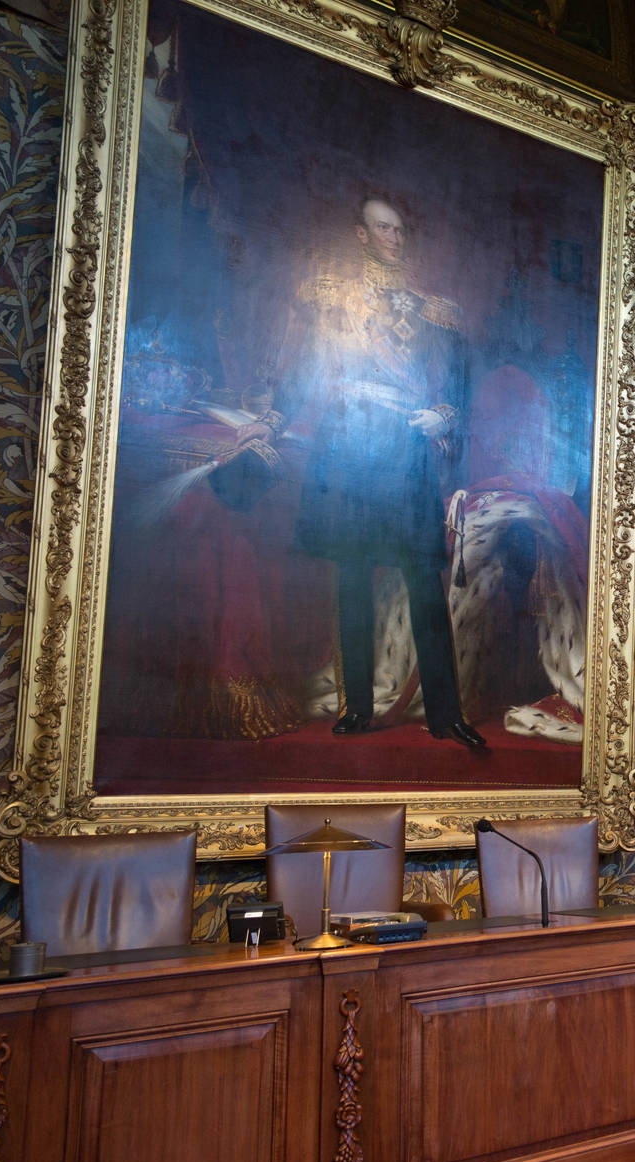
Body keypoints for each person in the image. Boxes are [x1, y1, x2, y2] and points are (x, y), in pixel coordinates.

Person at [274, 195, 487, 750]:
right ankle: (357, 709)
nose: (394, 238)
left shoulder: (431, 309)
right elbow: (300, 374)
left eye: (399, 229)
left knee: (424, 584)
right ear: (361, 234)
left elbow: (460, 383)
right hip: (346, 452)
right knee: (352, 582)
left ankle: (446, 714)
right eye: (382, 228)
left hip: (406, 452)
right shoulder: (329, 299)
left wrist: (441, 414)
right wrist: (271, 420)